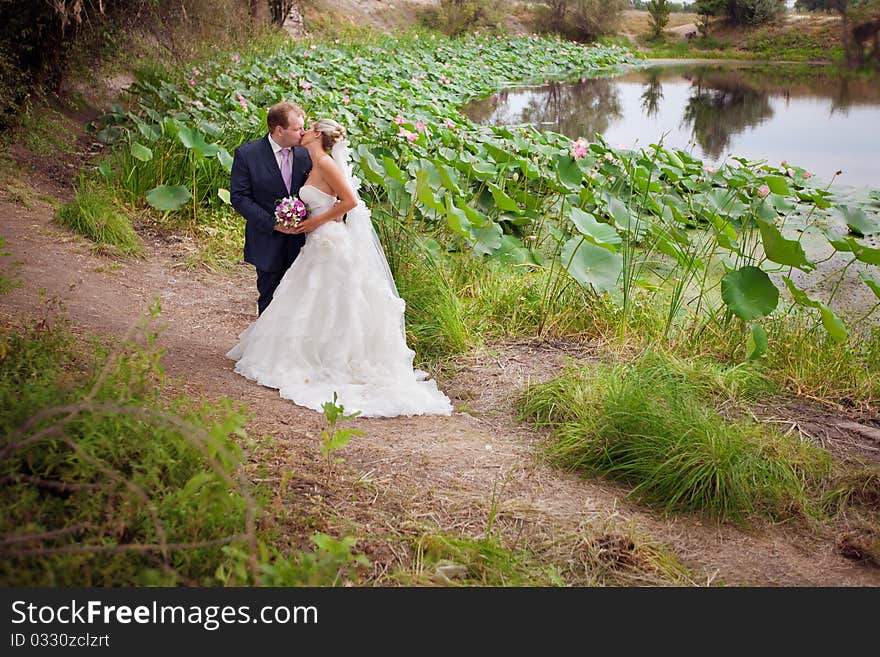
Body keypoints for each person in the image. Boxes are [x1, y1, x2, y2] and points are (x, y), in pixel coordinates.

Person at [226, 119, 453, 418]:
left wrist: (312, 222)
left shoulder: (326, 163)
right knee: (310, 297)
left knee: (333, 298)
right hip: (316, 241)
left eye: (307, 128)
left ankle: (331, 360)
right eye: (299, 127)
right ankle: (305, 353)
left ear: (317, 134)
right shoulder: (314, 160)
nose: (303, 131)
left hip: (328, 240)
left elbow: (349, 201)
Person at [230, 101, 312, 315]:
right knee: (269, 297)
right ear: (279, 130)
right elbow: (239, 198)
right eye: (297, 129)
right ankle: (264, 347)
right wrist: (274, 224)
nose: (302, 133)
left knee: (301, 301)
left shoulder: (306, 154)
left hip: (303, 242)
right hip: (267, 240)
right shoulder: (248, 155)